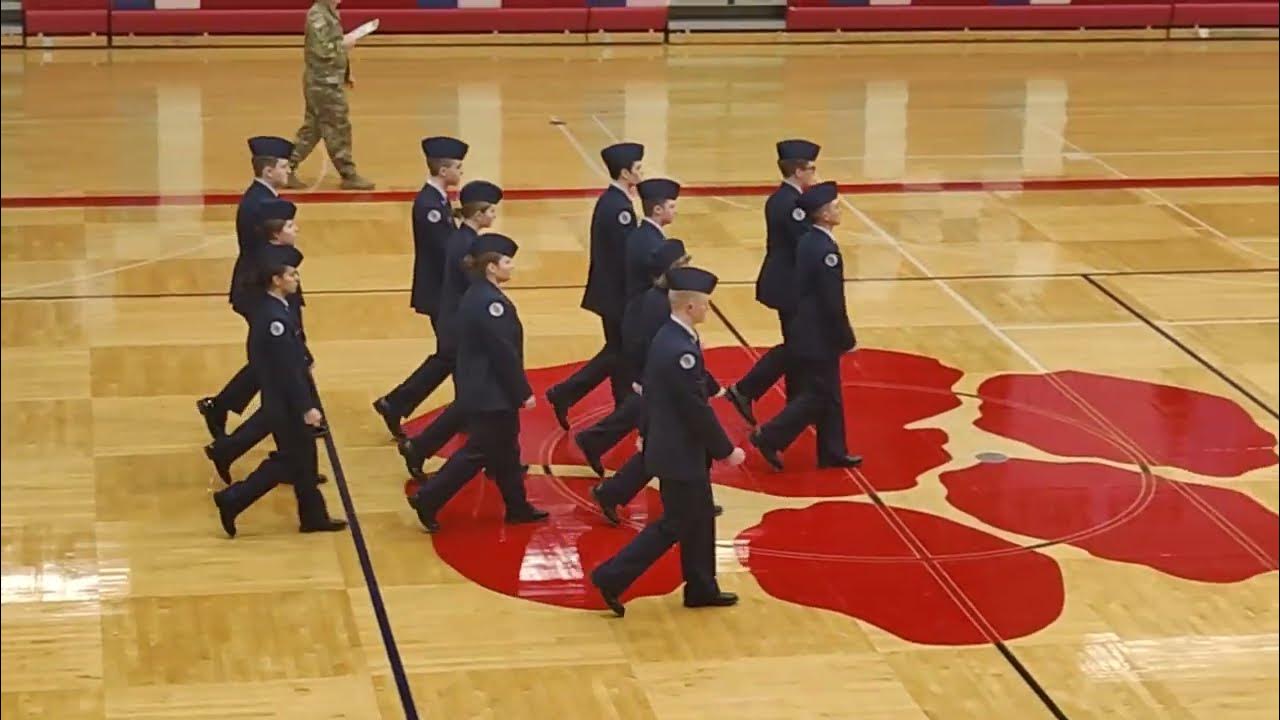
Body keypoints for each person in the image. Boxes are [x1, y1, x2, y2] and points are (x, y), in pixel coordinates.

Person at [590, 267, 744, 617]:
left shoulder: (672, 338)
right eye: (705, 304)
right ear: (690, 306)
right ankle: (611, 577)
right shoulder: (679, 350)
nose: (709, 309)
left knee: (701, 517)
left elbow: (652, 395)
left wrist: (646, 432)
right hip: (679, 453)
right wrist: (726, 450)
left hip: (674, 447)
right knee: (675, 523)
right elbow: (695, 410)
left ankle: (702, 585)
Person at [406, 234, 549, 533]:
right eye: (507, 262)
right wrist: (521, 392)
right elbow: (503, 353)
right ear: (492, 267)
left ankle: (517, 507)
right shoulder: (490, 303)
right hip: (491, 393)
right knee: (479, 452)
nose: (512, 267)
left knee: (507, 451)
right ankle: (428, 498)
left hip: (485, 389)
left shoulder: (478, 294)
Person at [588, 246, 725, 527]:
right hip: (662, 389)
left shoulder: (662, 301)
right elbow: (646, 347)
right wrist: (642, 382)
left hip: (662, 386)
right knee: (668, 448)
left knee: (668, 449)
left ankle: (614, 491)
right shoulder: (658, 307)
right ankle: (612, 491)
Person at [211, 254, 347, 537]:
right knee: (289, 460)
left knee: (305, 461)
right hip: (285, 404)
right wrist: (307, 408)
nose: (297, 279)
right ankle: (233, 500)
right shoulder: (274, 319)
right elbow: (287, 371)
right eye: (292, 275)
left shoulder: (274, 308)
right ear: (276, 281)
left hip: (283, 401)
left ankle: (313, 516)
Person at [204, 200, 327, 486]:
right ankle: (231, 452)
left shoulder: (275, 257)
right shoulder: (275, 265)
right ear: (275, 233)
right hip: (280, 345)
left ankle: (233, 450)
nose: (295, 229)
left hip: (281, 343)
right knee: (283, 410)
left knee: (280, 413)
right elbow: (286, 313)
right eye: (289, 225)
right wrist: (301, 351)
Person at [748, 181, 862, 471]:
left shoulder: (810, 241)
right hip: (818, 334)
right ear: (823, 215)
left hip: (808, 329)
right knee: (818, 395)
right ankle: (770, 436)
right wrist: (846, 337)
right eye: (835, 206)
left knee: (829, 394)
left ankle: (833, 452)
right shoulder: (824, 249)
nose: (839, 210)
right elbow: (832, 301)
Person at [396, 179, 502, 481]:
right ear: (480, 213)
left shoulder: (463, 240)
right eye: (492, 211)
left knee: (475, 400)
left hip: (462, 324)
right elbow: (475, 289)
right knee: (475, 399)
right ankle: (421, 446)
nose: (494, 217)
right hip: (463, 328)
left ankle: (497, 460)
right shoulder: (466, 247)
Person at [197, 136, 295, 440]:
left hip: (263, 287)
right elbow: (268, 257)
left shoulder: (260, 198)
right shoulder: (261, 205)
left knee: (271, 359)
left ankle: (221, 405)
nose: (289, 170)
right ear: (267, 171)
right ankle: (286, 422)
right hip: (258, 290)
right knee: (276, 360)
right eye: (284, 166)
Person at [372, 136, 469, 439]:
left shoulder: (438, 201)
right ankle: (397, 402)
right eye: (458, 167)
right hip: (441, 292)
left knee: (455, 354)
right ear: (443, 170)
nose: (461, 172)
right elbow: (445, 250)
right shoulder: (430, 205)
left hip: (444, 290)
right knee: (451, 354)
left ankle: (457, 411)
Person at [545, 142, 644, 430]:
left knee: (619, 352)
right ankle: (565, 393)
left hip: (610, 291)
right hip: (617, 294)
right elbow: (628, 255)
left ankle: (622, 405)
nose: (642, 172)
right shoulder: (618, 208)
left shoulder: (614, 201)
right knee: (618, 352)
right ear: (625, 173)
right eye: (638, 168)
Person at [722, 139, 821, 426]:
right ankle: (745, 389)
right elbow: (805, 241)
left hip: (786, 280)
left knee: (796, 342)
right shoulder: (790, 204)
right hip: (788, 283)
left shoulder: (785, 199)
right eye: (811, 168)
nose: (815, 173)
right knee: (797, 345)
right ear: (798, 171)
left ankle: (797, 403)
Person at [287, 0, 374, 191]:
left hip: (327, 80)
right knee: (338, 127)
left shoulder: (329, 12)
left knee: (313, 128)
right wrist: (345, 44)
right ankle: (348, 174)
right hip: (323, 83)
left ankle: (285, 167)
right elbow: (322, 50)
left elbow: (333, 45)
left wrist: (346, 72)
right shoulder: (318, 15)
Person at [622, 178, 680, 302]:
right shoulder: (654, 244)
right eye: (671, 207)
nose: (675, 212)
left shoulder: (640, 234)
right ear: (657, 210)